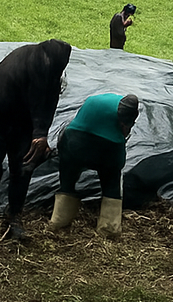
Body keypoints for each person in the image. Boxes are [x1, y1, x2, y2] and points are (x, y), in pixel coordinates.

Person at [0, 39, 72, 244]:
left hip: (20, 122)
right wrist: (39, 134)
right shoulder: (36, 63)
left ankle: (14, 217)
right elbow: (37, 99)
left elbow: (48, 105)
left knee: (23, 165)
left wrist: (41, 135)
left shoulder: (51, 71)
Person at [48, 93, 139, 238]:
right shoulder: (123, 119)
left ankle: (59, 223)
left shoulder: (95, 101)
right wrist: (118, 165)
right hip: (97, 145)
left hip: (73, 143)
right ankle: (109, 230)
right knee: (111, 183)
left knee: (68, 180)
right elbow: (118, 155)